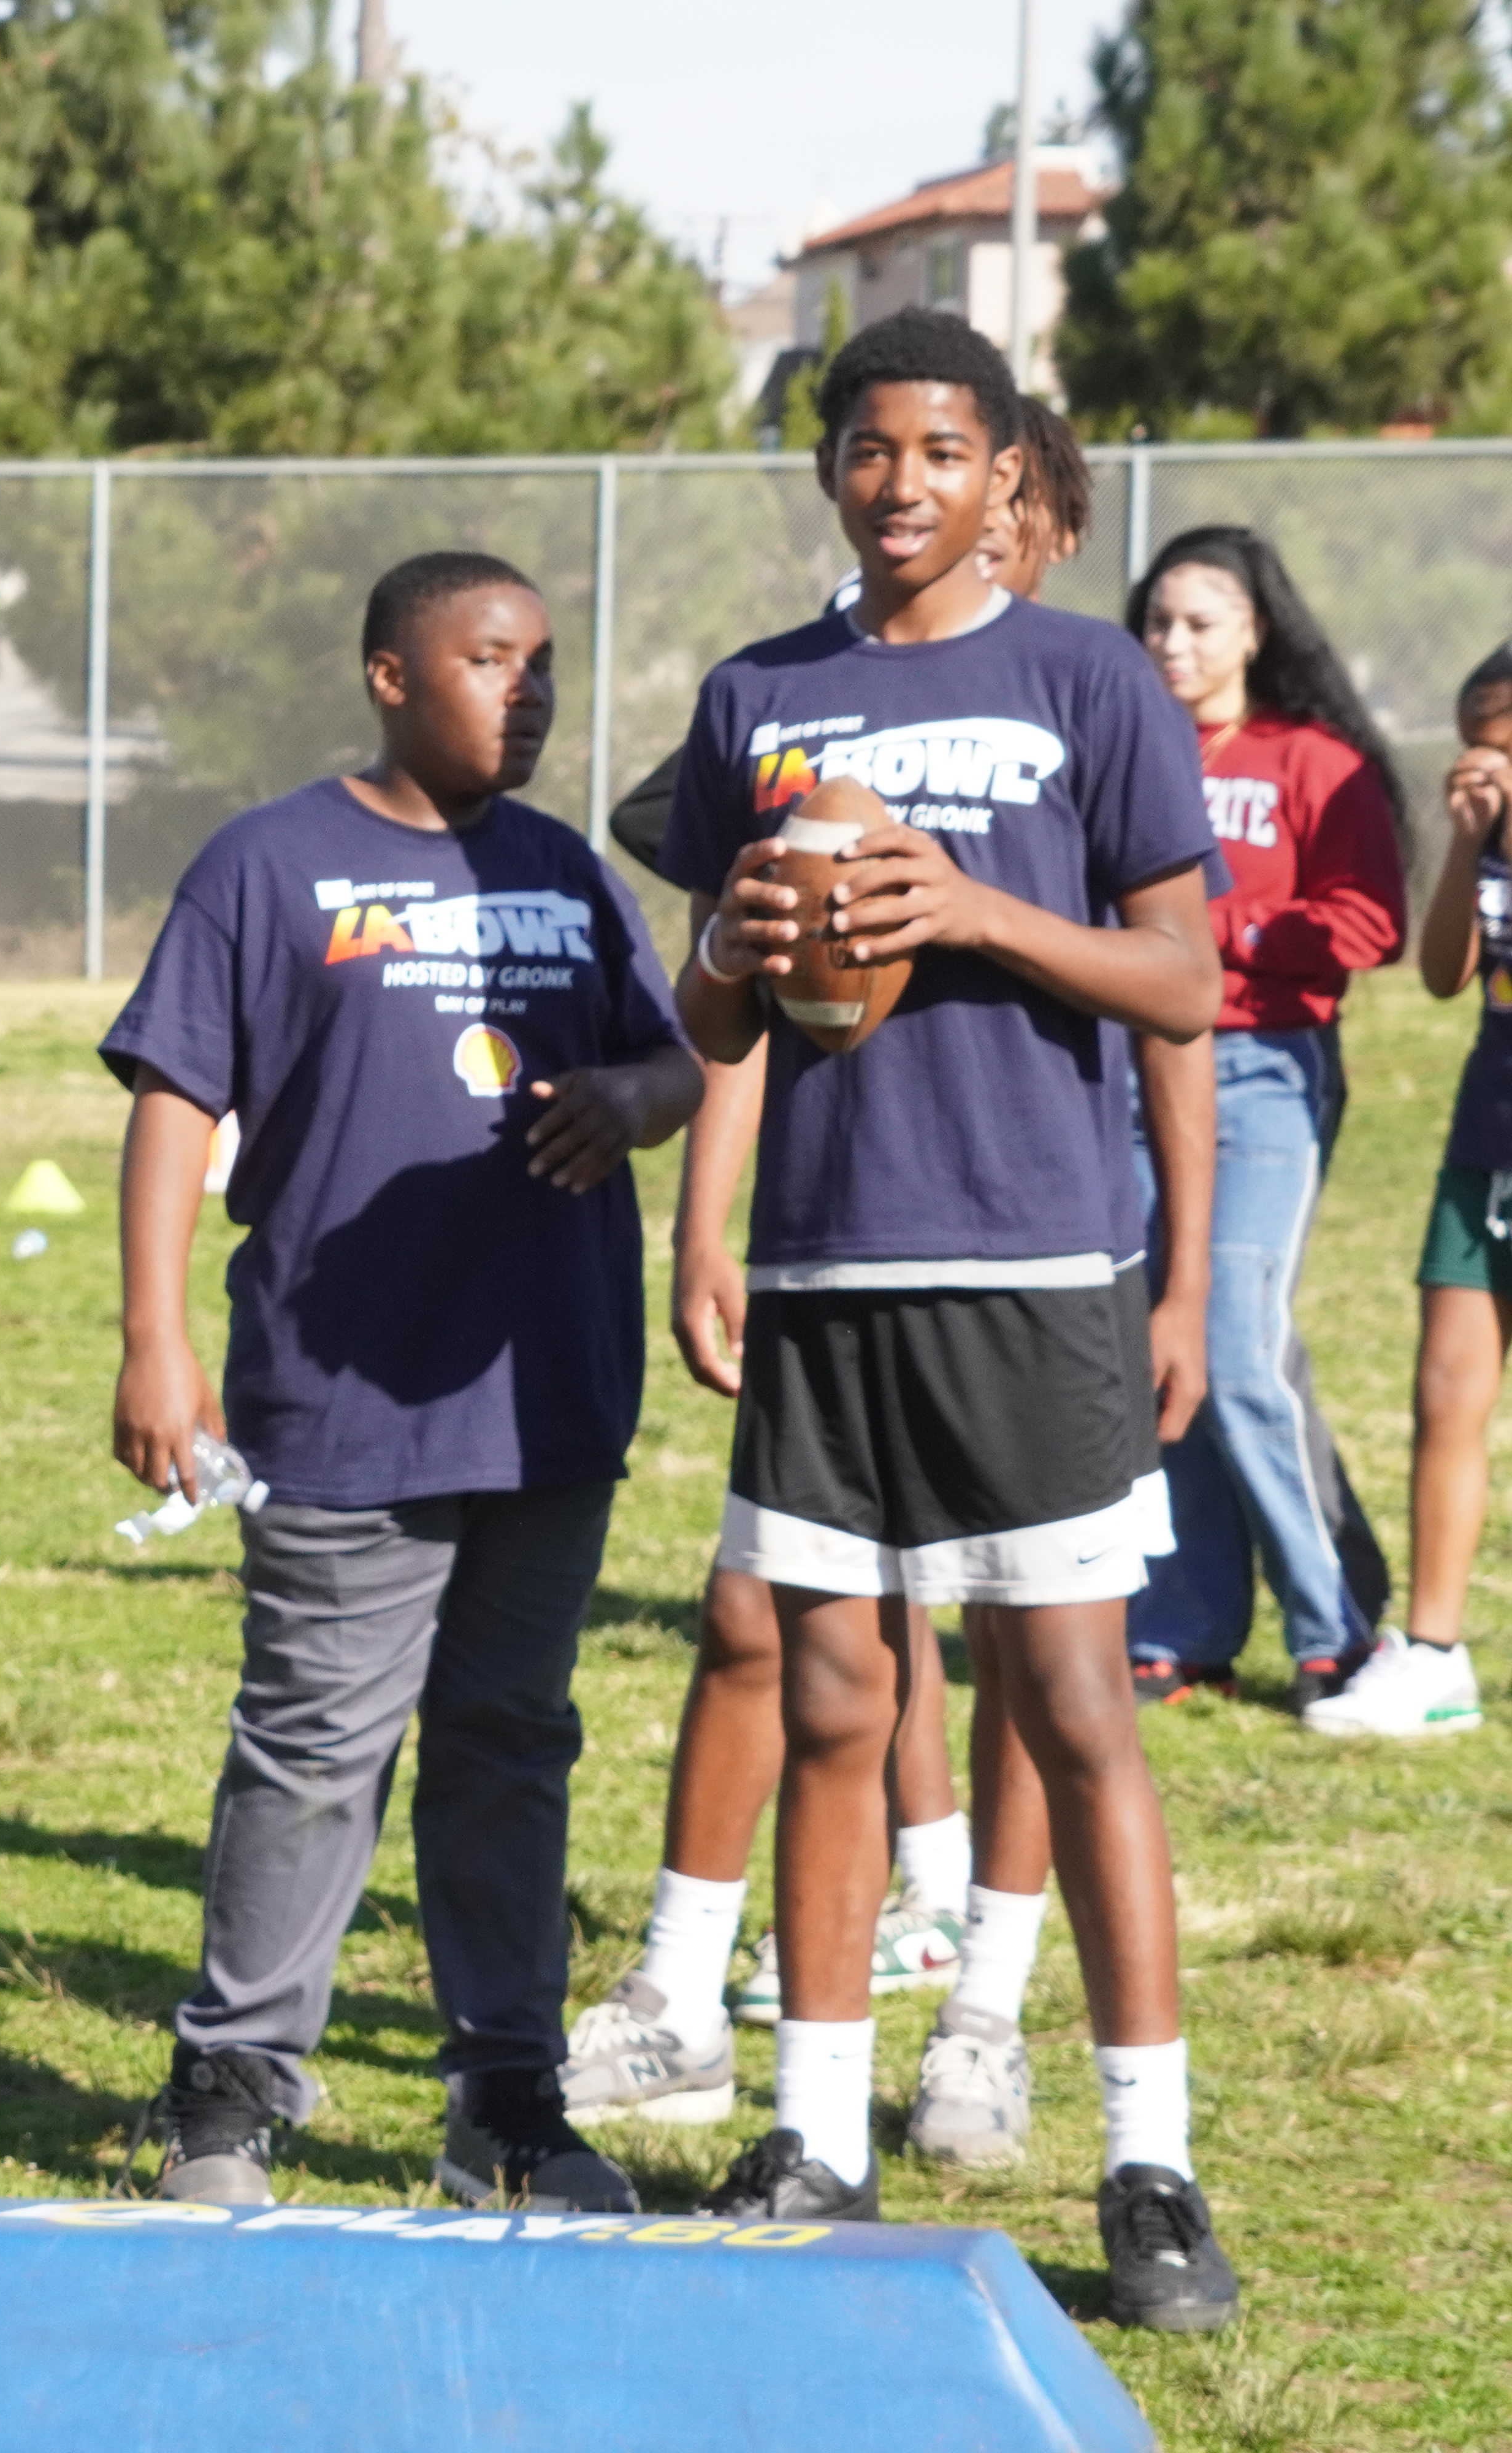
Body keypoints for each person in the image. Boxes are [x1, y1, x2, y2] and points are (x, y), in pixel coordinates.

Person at [657, 309, 1237, 2331]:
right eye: (863, 448)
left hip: (1033, 1273)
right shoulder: (758, 694)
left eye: (936, 448)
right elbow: (714, 1012)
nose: (898, 481)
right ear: (831, 472)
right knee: (830, 1704)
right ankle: (816, 2126)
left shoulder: (1087, 681)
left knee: (1073, 1712)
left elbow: (1182, 982)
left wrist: (971, 908)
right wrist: (709, 1162)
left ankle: (1149, 2163)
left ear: (1004, 473)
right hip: (827, 1275)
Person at [105, 551, 702, 2213]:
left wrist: (636, 1104)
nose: (531, 692)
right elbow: (172, 1101)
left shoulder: (570, 873)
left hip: (546, 1400)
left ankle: (502, 2103)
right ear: (389, 673)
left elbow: (675, 1055)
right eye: (492, 659)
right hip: (344, 1401)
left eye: (547, 666)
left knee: (512, 1742)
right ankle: (230, 2094)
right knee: (313, 1746)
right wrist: (155, 1338)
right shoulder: (270, 863)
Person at [1124, 526, 1409, 1706]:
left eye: (1200, 621)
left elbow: (1368, 924)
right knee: (1159, 1351)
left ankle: (1335, 1626)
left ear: (1255, 631)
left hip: (1265, 1073)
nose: (1175, 643)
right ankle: (1184, 1631)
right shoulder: (1126, 750)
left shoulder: (1311, 759)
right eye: (1158, 622)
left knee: (1236, 1342)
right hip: (1134, 1078)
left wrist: (1221, 935)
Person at [1343, 651, 1512, 1739]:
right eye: (1472, 737)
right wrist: (1465, 841)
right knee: (1446, 1388)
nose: (1480, 759)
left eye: (1500, 736)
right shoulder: (1485, 831)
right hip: (1487, 1137)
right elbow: (1444, 972)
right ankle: (1436, 1652)